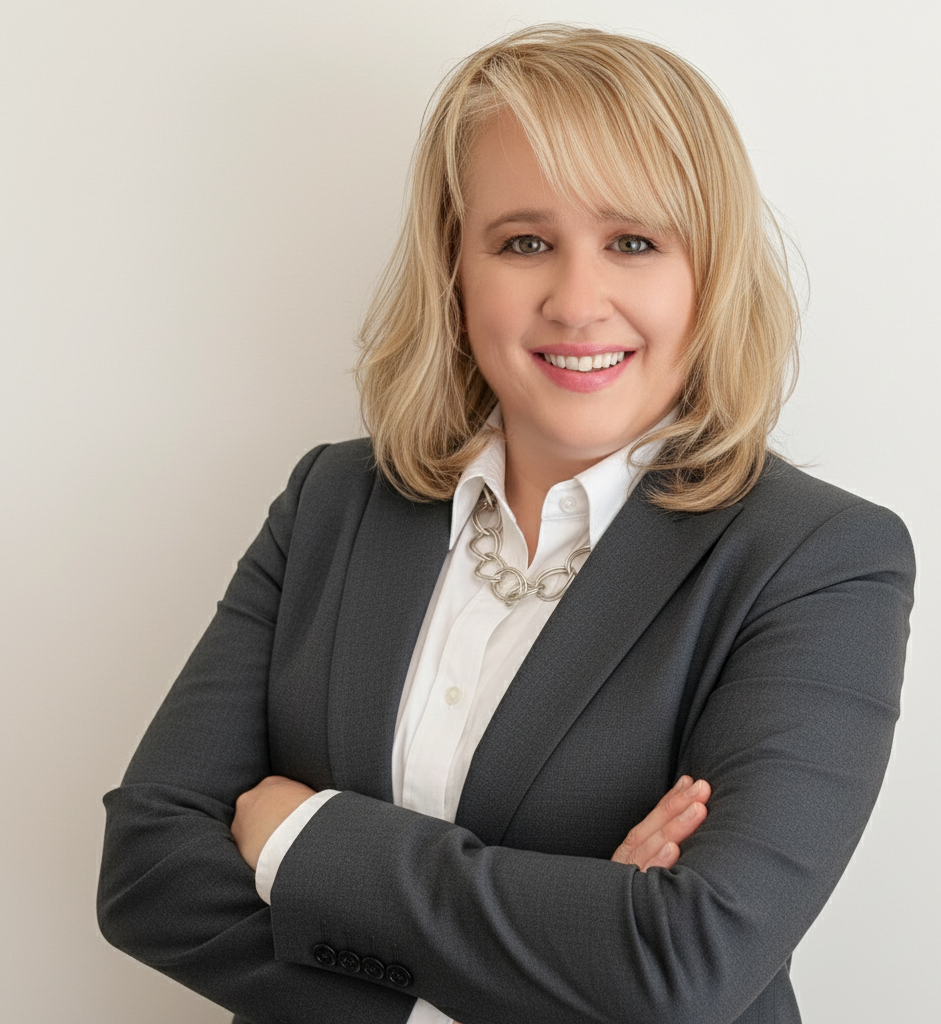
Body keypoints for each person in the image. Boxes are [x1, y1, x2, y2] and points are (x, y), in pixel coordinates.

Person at [97, 24, 915, 1024]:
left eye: (633, 242)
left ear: (709, 271)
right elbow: (147, 870)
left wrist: (299, 839)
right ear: (455, 265)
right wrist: (563, 952)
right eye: (524, 242)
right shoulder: (333, 502)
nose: (576, 301)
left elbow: (686, 962)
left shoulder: (818, 559)